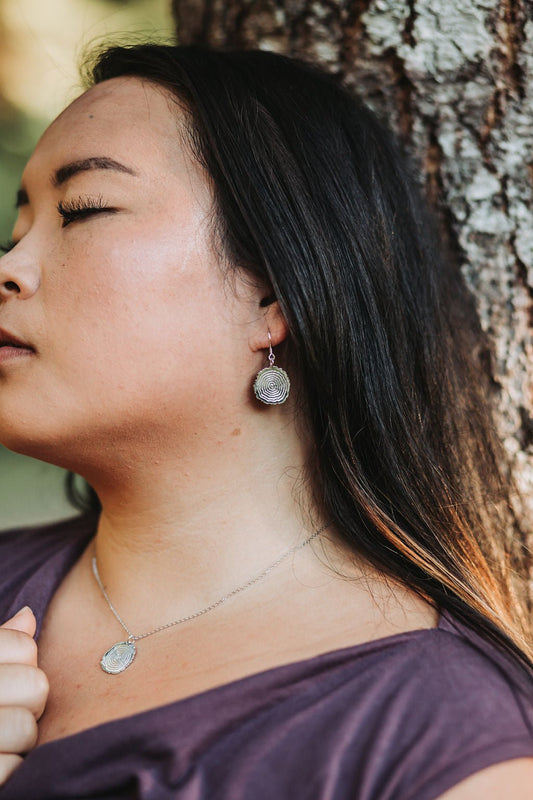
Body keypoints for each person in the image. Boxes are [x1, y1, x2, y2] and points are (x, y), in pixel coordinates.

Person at [0, 43, 531, 799]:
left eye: (83, 210)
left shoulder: (435, 737)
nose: (11, 264)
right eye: (15, 229)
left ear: (273, 297)